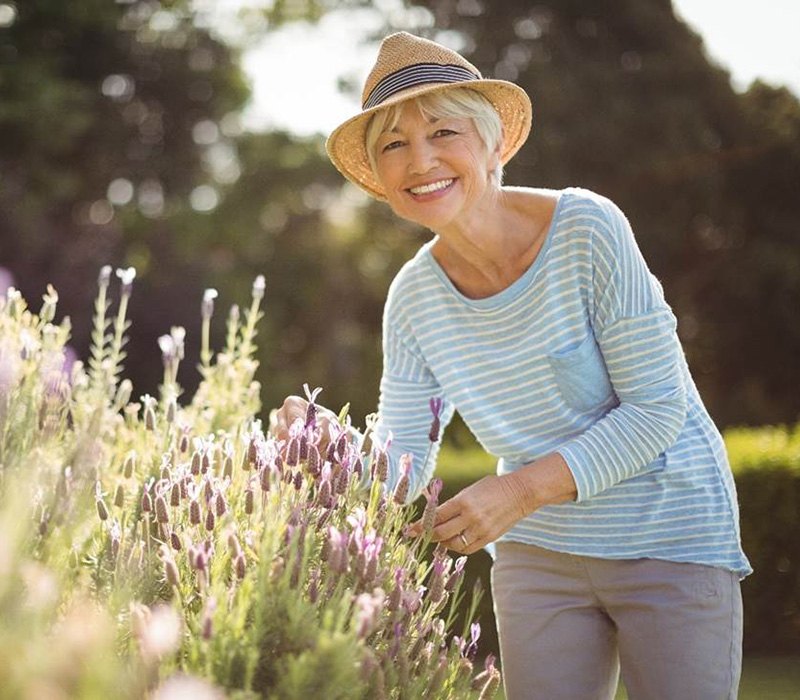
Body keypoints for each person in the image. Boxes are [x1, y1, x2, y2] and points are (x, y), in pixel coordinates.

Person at [273, 31, 751, 700]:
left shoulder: (588, 229)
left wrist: (517, 493)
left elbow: (657, 410)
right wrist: (327, 445)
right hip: (539, 559)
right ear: (379, 179)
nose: (421, 160)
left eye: (444, 132)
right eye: (393, 144)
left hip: (668, 535)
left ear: (494, 143)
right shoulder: (413, 299)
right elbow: (403, 457)